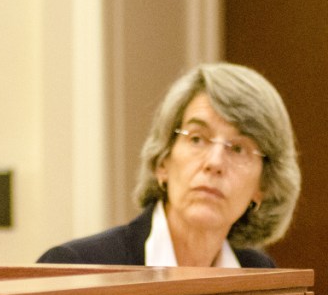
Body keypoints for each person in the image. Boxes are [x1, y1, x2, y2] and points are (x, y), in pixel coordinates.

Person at [37, 62, 300, 268]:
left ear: (263, 187)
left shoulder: (257, 275)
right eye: (197, 139)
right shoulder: (76, 266)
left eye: (239, 148)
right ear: (163, 162)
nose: (215, 162)